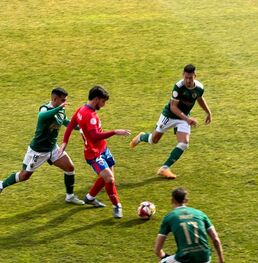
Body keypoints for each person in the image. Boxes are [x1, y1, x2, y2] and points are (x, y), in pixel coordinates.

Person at [0, 87, 84, 205]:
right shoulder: (45, 108)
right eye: (62, 100)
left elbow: (65, 121)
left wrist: (79, 127)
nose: (64, 102)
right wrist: (59, 108)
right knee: (24, 175)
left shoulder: (61, 110)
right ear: (54, 99)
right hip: (38, 151)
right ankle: (1, 184)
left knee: (70, 167)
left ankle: (69, 196)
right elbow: (42, 116)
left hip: (52, 148)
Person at [60, 85, 131, 219]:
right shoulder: (89, 115)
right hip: (94, 154)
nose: (103, 105)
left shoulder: (81, 110)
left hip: (103, 149)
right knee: (109, 178)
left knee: (108, 179)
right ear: (96, 99)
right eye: (103, 101)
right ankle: (117, 206)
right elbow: (94, 136)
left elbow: (70, 125)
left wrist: (65, 142)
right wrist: (115, 132)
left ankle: (90, 197)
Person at [130, 64, 212, 179]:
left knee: (184, 143)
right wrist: (187, 119)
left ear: (195, 76)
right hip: (169, 115)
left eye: (191, 78)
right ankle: (141, 137)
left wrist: (208, 112)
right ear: (183, 75)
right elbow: (173, 107)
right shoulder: (178, 87)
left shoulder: (199, 88)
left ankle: (164, 168)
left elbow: (199, 98)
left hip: (184, 118)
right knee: (153, 140)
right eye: (186, 78)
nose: (188, 80)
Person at [154, 187, 224, 263]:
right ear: (186, 200)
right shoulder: (200, 214)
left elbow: (157, 249)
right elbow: (215, 239)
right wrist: (220, 260)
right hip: (205, 258)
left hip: (185, 259)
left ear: (172, 200)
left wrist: (163, 256)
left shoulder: (170, 217)